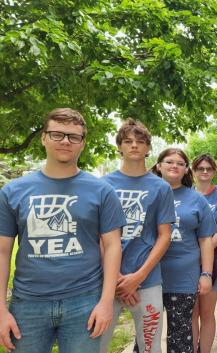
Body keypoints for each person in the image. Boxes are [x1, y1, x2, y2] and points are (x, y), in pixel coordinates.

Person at [0, 108, 125, 353]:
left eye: (73, 136)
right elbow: (2, 252)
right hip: (28, 304)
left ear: (82, 144)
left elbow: (112, 246)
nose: (66, 141)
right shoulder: (12, 192)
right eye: (57, 134)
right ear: (44, 138)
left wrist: (106, 302)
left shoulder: (102, 191)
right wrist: (1, 310)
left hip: (85, 301)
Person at [99, 119, 175, 353]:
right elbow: (97, 236)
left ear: (148, 148)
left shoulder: (161, 187)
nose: (134, 146)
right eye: (128, 141)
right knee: (97, 344)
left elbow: (164, 236)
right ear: (119, 146)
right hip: (106, 281)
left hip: (148, 279)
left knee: (150, 347)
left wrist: (138, 277)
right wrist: (116, 278)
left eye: (140, 142)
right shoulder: (103, 185)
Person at [155, 148, 216, 353]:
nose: (174, 166)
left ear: (186, 169)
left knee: (181, 339)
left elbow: (206, 240)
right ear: (158, 165)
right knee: (147, 337)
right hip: (148, 278)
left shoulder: (197, 199)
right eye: (169, 162)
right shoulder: (149, 195)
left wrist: (206, 274)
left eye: (180, 163)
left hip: (183, 278)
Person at [192, 154, 217, 353]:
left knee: (207, 313)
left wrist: (204, 252)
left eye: (209, 168)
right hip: (188, 264)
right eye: (201, 168)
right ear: (194, 171)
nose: (205, 172)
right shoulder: (187, 194)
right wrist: (194, 256)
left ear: (215, 171)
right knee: (192, 314)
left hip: (214, 262)